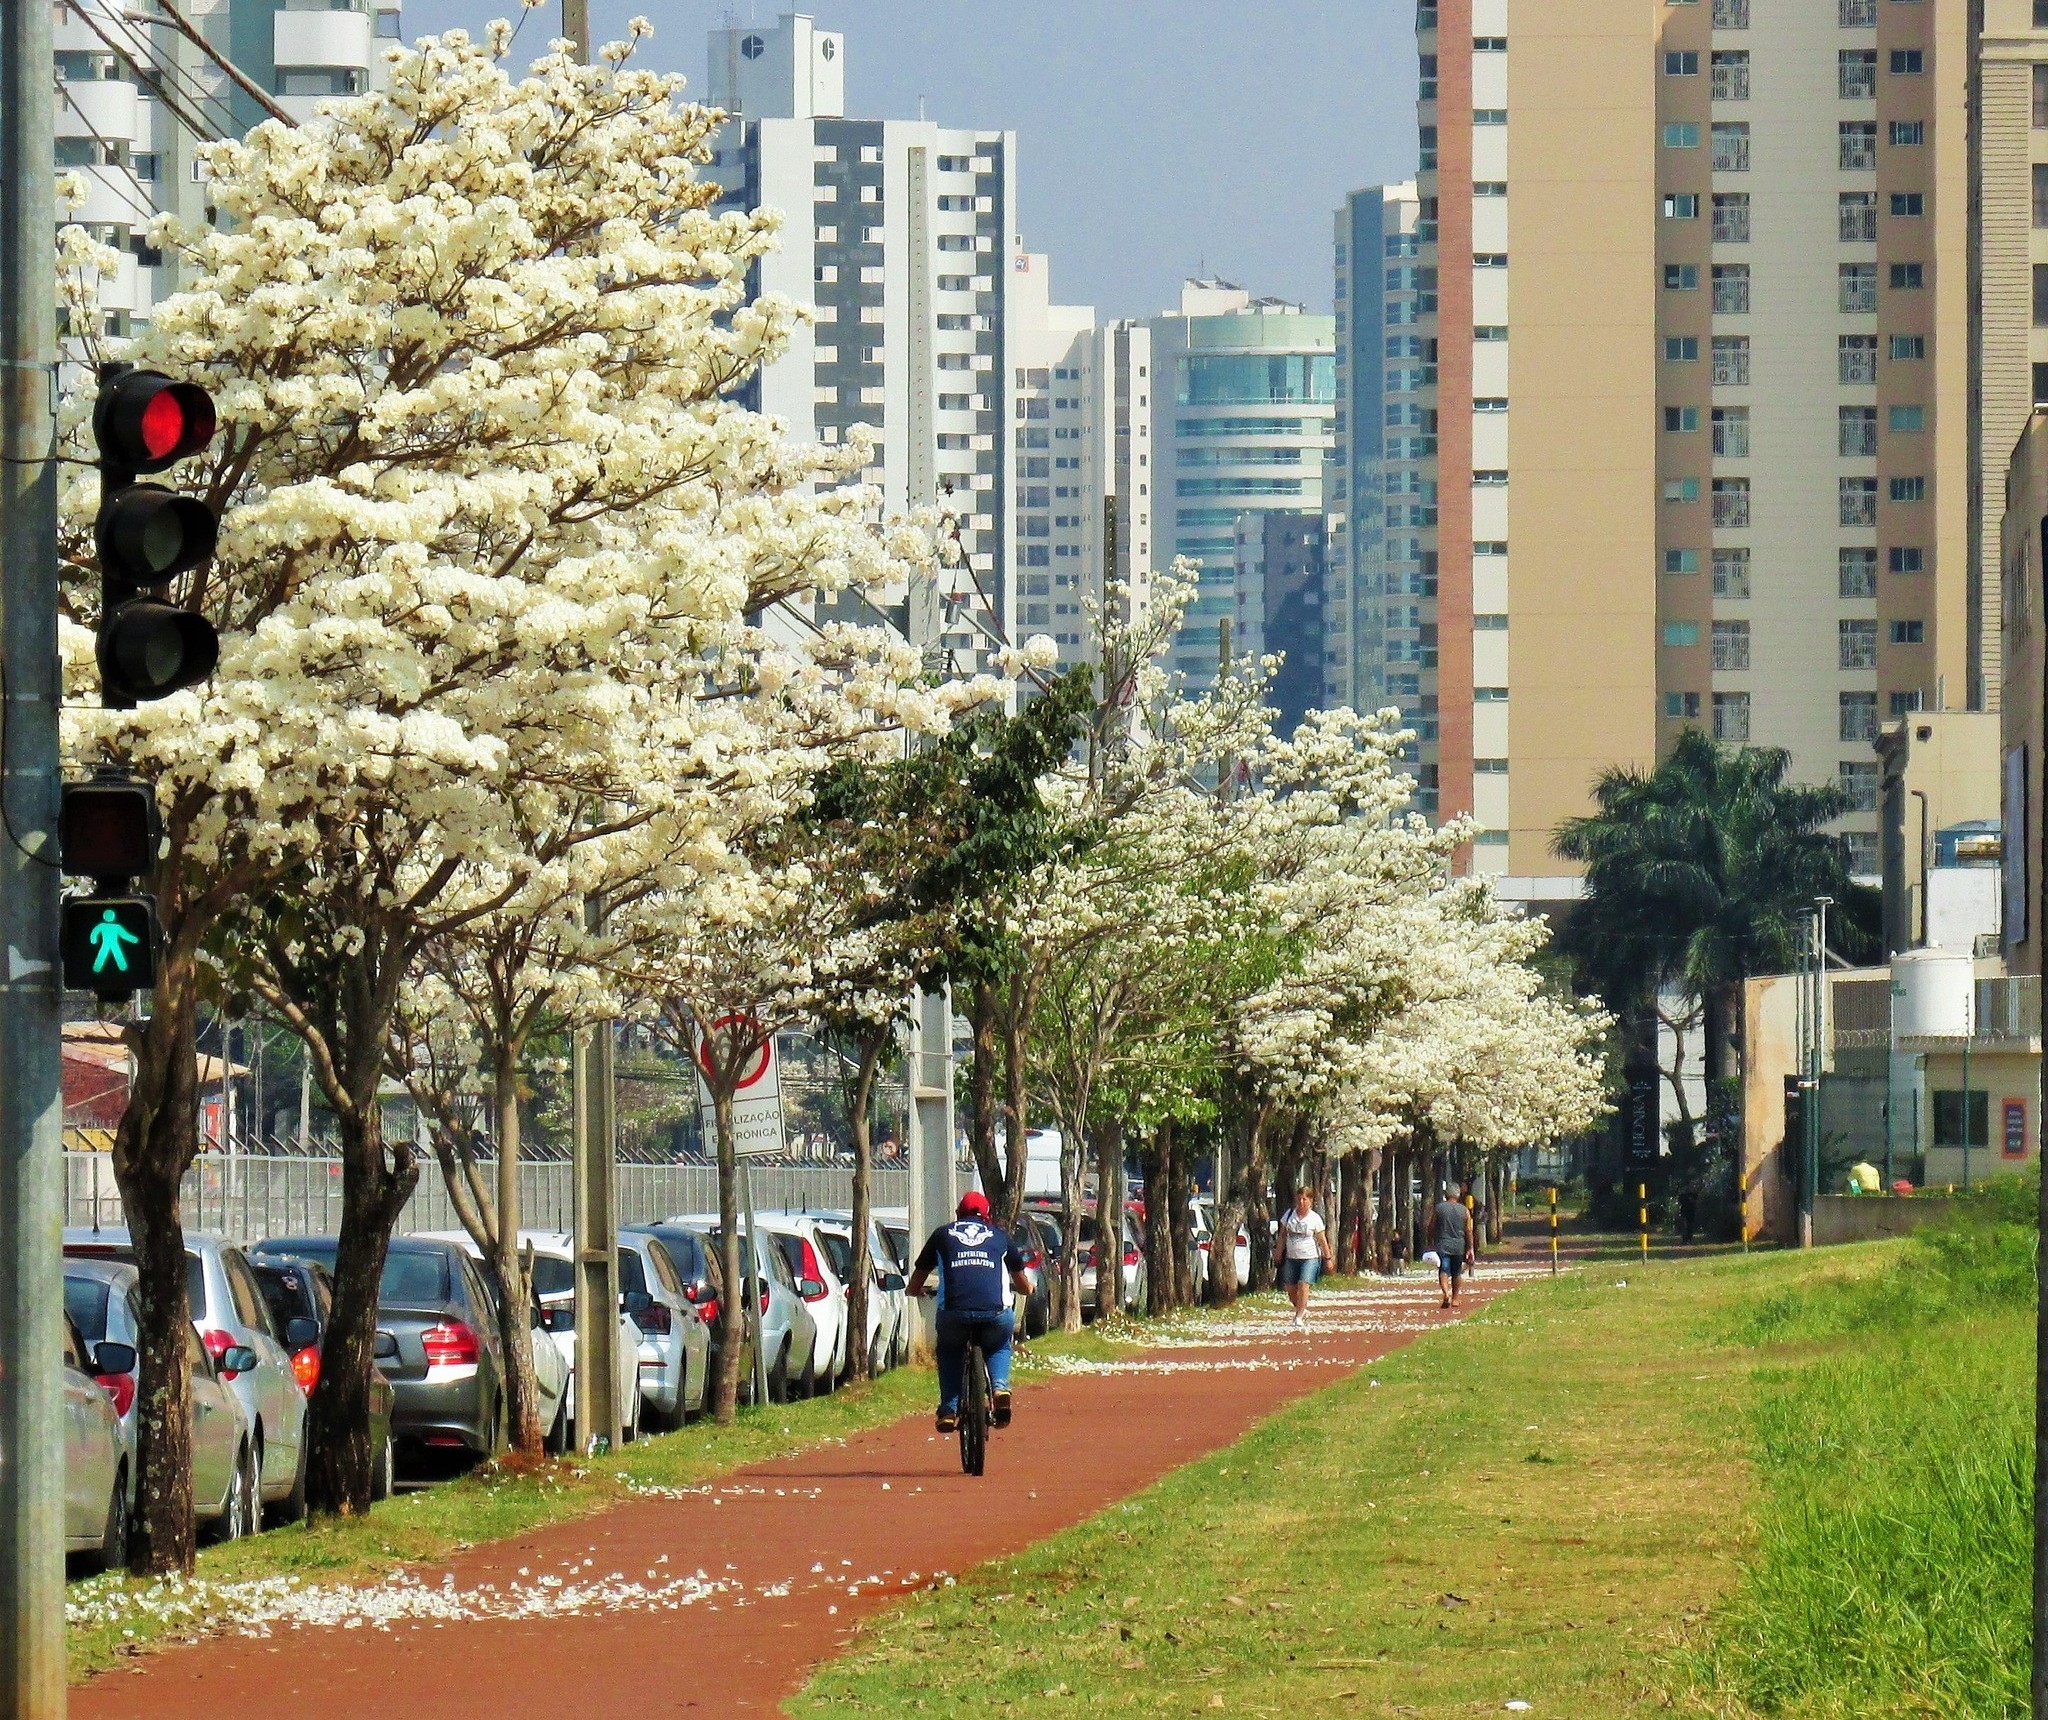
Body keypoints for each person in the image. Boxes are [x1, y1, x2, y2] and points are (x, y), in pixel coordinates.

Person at [906, 1190, 1033, 1434]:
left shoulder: (942, 1235)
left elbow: (919, 1275)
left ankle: (948, 1410)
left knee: (949, 1349)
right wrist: (1027, 1289)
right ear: (987, 1215)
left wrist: (914, 1291)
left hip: (954, 1314)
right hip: (995, 1315)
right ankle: (999, 1389)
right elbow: (1022, 1282)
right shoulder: (999, 1236)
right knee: (999, 1345)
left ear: (958, 1213)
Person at [1277, 1185, 1333, 1330]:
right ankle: (1301, 1308)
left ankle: (1299, 1316)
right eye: (1299, 1199)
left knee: (1303, 1284)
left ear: (1310, 1201)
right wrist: (1278, 1251)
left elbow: (1322, 1239)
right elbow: (1283, 1235)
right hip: (1291, 1257)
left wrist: (1328, 1258)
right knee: (1290, 1288)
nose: (1301, 1202)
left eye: (1305, 1199)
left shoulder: (1315, 1219)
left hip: (1310, 1258)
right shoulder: (1289, 1215)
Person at [1431, 1183, 1473, 1310]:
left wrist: (1430, 1242)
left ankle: (1445, 1293)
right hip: (1458, 1245)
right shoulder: (1464, 1210)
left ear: (1446, 1194)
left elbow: (1431, 1226)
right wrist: (1470, 1247)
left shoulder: (1439, 1208)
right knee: (1456, 1272)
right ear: (1458, 1195)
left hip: (1443, 1244)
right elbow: (1469, 1230)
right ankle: (1455, 1298)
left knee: (1444, 1269)